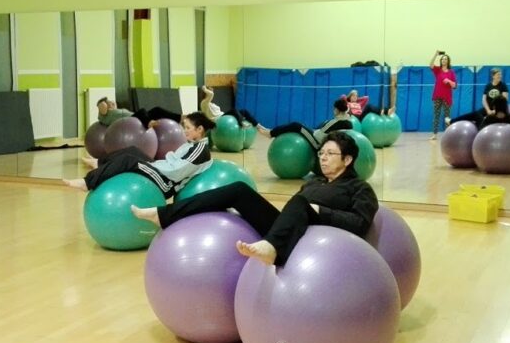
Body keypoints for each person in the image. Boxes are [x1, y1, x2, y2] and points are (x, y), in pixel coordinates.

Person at [132, 131, 378, 266]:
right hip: (290, 232)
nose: (323, 158)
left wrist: (320, 211)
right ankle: (164, 214)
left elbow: (360, 224)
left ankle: (272, 249)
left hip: (316, 244)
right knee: (238, 190)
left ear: (347, 159)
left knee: (301, 203)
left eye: (330, 154)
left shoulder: (359, 188)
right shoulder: (314, 182)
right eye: (322, 153)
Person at [63, 112, 215, 197]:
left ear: (199, 129)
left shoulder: (200, 150)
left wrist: (150, 165)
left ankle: (87, 182)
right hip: (162, 170)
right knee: (132, 150)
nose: (184, 131)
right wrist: (153, 164)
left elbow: (176, 171)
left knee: (128, 160)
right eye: (184, 127)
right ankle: (100, 163)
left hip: (166, 183)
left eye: (188, 128)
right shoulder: (192, 145)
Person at [258, 98, 353, 150]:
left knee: (296, 125)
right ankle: (271, 132)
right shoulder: (347, 121)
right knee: (300, 126)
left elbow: (320, 134)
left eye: (334, 108)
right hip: (320, 138)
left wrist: (313, 131)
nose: (333, 110)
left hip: (318, 144)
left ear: (337, 109)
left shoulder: (337, 121)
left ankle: (271, 133)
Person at [95, 97, 181, 130]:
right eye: (109, 102)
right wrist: (103, 101)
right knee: (142, 111)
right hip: (129, 123)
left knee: (157, 110)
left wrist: (111, 104)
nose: (112, 103)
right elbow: (102, 106)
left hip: (136, 118)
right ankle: (149, 122)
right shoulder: (104, 116)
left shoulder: (116, 111)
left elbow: (113, 104)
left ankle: (180, 118)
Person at [429, 50, 457, 140]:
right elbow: (430, 65)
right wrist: (435, 54)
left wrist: (449, 81)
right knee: (436, 115)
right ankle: (434, 134)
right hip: (437, 96)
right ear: (441, 61)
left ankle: (448, 135)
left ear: (448, 61)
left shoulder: (451, 72)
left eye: (445, 59)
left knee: (447, 117)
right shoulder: (438, 70)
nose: (444, 60)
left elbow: (455, 85)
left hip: (447, 97)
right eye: (442, 59)